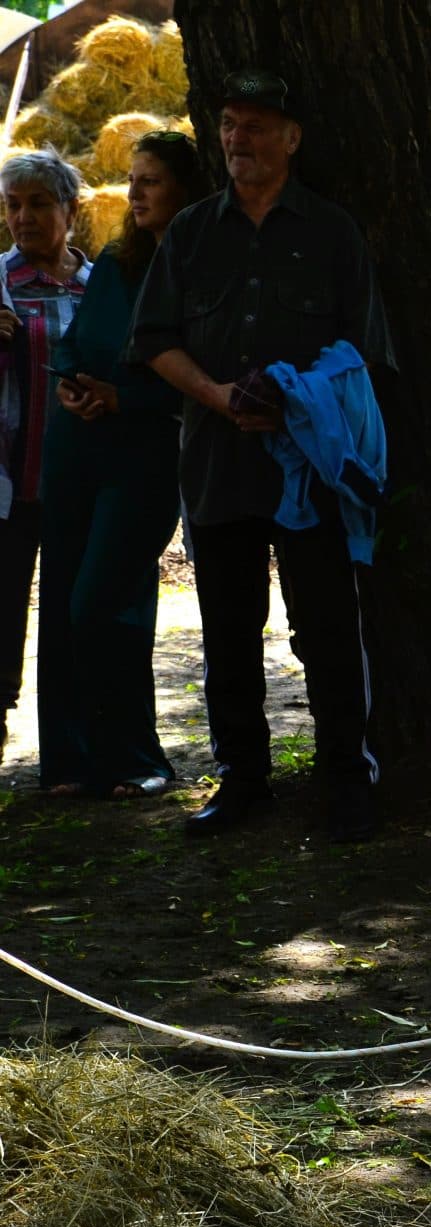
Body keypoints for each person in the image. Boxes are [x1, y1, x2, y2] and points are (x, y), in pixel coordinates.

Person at [130, 70, 396, 841]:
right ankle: (244, 779)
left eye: (254, 125)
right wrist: (217, 396)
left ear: (291, 138)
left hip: (309, 469)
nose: (237, 139)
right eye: (228, 124)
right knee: (227, 633)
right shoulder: (191, 232)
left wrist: (292, 401)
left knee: (327, 629)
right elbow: (154, 342)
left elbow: (365, 348)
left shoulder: (332, 231)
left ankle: (345, 779)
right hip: (216, 462)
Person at [37, 131, 203, 798]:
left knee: (104, 602)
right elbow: (77, 344)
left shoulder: (203, 272)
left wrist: (125, 398)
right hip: (75, 447)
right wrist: (70, 382)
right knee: (64, 604)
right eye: (132, 179)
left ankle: (137, 759)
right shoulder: (115, 261)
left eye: (151, 181)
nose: (133, 193)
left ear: (186, 190)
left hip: (145, 455)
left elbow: (204, 377)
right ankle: (72, 765)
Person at [0, 150, 90, 768]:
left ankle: (69, 757)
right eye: (12, 205)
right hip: (8, 486)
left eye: (37, 203)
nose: (22, 217)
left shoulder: (100, 286)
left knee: (72, 618)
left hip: (77, 483)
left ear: (70, 210)